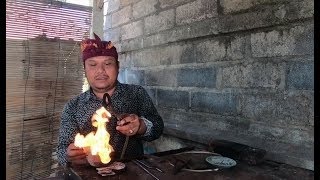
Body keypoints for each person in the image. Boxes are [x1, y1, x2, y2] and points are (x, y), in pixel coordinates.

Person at [57, 33, 164, 167]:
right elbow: (61, 151)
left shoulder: (136, 93)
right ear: (85, 70)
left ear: (117, 67)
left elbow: (158, 127)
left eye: (107, 63)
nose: (101, 70)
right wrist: (71, 155)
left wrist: (141, 126)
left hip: (133, 173)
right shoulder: (73, 106)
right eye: (93, 65)